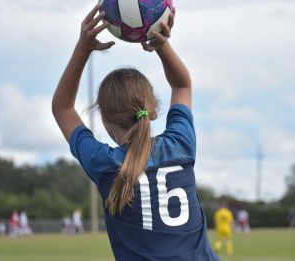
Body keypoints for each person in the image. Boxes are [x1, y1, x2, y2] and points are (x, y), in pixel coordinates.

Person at [52, 5, 219, 260]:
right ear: (152, 108)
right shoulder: (180, 145)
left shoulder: (105, 164)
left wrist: (83, 47)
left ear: (105, 118)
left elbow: (63, 108)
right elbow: (182, 84)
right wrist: (161, 44)